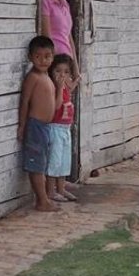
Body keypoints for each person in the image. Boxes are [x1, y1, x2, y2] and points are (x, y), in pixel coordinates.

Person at [18, 36, 62, 212]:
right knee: (36, 165)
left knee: (42, 163)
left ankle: (44, 198)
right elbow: (25, 102)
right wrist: (22, 125)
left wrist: (60, 88)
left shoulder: (48, 78)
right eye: (38, 56)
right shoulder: (33, 77)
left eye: (47, 56)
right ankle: (42, 201)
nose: (43, 60)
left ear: (53, 56)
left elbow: (56, 106)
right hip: (35, 126)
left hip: (45, 127)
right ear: (30, 57)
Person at [45, 54, 80, 202]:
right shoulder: (53, 87)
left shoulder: (66, 87)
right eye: (58, 71)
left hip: (65, 129)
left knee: (65, 161)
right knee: (55, 161)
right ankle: (50, 191)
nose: (62, 75)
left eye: (66, 72)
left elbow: (73, 84)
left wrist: (76, 77)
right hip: (55, 128)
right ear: (51, 72)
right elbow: (57, 106)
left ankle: (61, 189)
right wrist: (59, 88)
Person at [41, 0, 80, 76]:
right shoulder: (45, 0)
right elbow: (46, 38)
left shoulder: (64, 3)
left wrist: (75, 67)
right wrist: (53, 68)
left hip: (65, 64)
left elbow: (68, 37)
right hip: (55, 66)